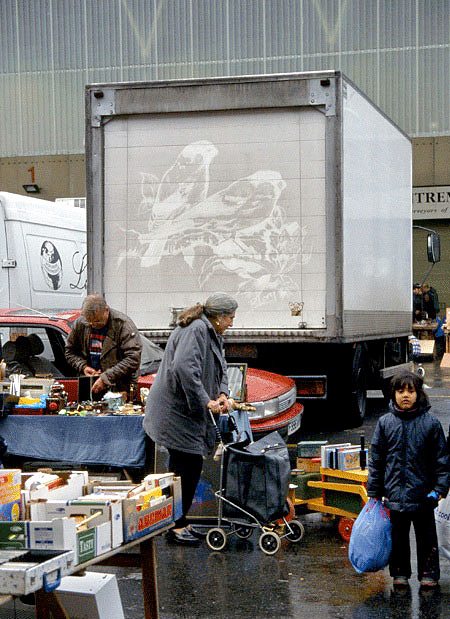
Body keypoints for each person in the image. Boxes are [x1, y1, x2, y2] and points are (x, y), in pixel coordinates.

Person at [143, 292, 238, 545]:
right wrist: (204, 400)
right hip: (175, 411)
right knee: (187, 465)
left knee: (185, 466)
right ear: (217, 317)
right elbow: (184, 368)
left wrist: (222, 393)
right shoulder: (196, 330)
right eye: (230, 318)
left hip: (186, 411)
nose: (232, 323)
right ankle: (174, 524)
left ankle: (178, 520)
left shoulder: (212, 333)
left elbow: (222, 367)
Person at [367, 371, 449, 589]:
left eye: (410, 391)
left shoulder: (431, 424)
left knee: (427, 538)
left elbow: (442, 460)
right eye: (400, 391)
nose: (405, 395)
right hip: (394, 495)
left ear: (418, 393)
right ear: (393, 394)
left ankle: (429, 574)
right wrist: (374, 492)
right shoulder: (385, 423)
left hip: (424, 496)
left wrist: (440, 488)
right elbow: (376, 460)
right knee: (398, 537)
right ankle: (399, 573)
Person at [65, 295, 142, 398]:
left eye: (97, 321)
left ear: (106, 310)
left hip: (119, 389)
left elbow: (133, 359)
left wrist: (105, 378)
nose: (93, 325)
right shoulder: (81, 323)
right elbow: (70, 352)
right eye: (89, 322)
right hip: (90, 386)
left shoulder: (122, 325)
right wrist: (83, 367)